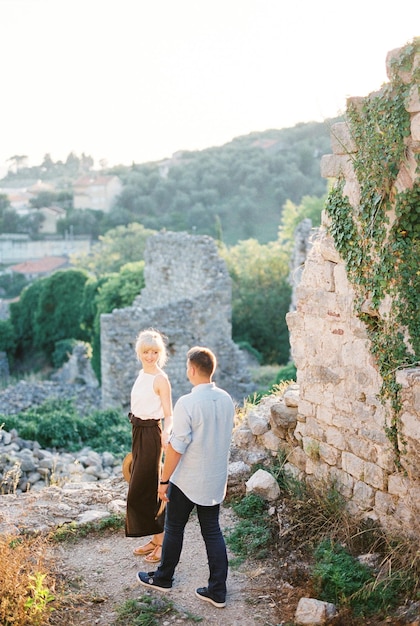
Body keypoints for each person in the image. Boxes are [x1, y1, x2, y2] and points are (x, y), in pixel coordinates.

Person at [137, 346, 235, 608]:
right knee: (212, 531)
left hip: (188, 479)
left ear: (192, 370)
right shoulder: (226, 399)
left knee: (174, 527)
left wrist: (164, 480)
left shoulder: (187, 403)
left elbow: (177, 447)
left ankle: (164, 578)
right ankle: (217, 590)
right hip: (214, 479)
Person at [125, 328, 173, 565]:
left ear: (160, 353)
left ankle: (162, 543)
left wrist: (166, 434)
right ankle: (154, 539)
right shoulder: (142, 374)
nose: (150, 356)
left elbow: (169, 414)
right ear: (139, 352)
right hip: (138, 433)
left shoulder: (160, 379)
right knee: (139, 487)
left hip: (152, 435)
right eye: (146, 351)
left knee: (151, 488)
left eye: (155, 352)